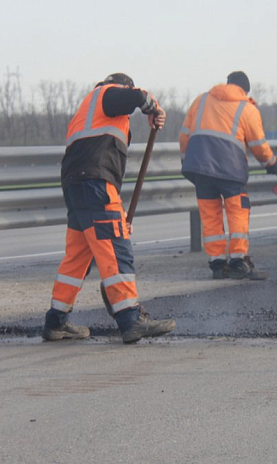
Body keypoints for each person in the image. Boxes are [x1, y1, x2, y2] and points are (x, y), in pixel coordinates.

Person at [42, 73, 176, 344]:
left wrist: (119, 217)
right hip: (93, 183)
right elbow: (138, 97)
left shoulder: (88, 113)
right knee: (116, 248)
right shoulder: (106, 94)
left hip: (76, 186)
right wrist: (153, 107)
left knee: (77, 258)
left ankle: (55, 322)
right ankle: (130, 320)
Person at [179, 71, 277, 280]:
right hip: (229, 168)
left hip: (200, 166)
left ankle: (218, 265)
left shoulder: (201, 100)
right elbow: (259, 146)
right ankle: (239, 262)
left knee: (210, 215)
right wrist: (276, 168)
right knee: (237, 212)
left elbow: (184, 135)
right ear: (245, 90)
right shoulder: (247, 108)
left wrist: (187, 161)